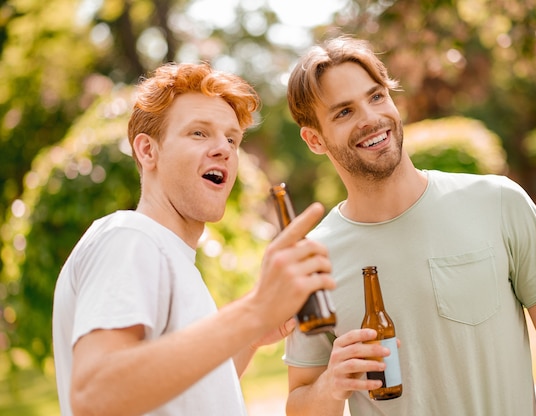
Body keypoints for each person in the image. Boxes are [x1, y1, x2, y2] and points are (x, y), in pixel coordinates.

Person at [283, 36, 536, 415]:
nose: (370, 118)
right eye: (343, 112)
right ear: (314, 139)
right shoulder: (312, 261)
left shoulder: (497, 202)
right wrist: (329, 387)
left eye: (376, 96)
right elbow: (299, 402)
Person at [52, 62, 335, 416]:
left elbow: (187, 396)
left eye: (231, 138)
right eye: (199, 133)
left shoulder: (171, 256)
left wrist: (251, 334)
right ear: (147, 151)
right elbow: (94, 394)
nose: (224, 149)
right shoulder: (130, 238)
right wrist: (255, 310)